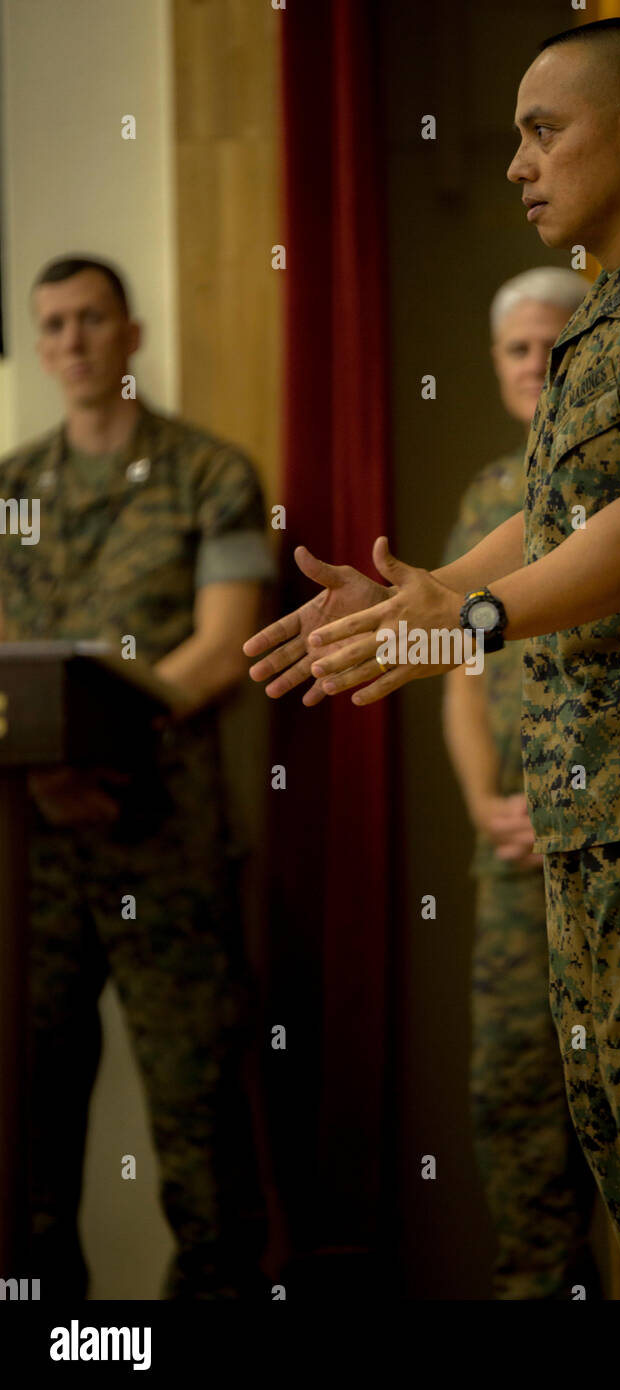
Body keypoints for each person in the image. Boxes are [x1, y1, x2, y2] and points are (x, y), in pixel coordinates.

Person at [244, 18, 620, 1301]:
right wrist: (435, 585)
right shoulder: (614, 307)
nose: (512, 160)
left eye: (539, 130)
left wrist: (474, 622)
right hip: (599, 810)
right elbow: (570, 506)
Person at [0, 255, 275, 1298]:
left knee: (200, 1129)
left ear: (132, 335)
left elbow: (220, 647)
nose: (72, 341)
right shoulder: (8, 492)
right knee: (25, 1139)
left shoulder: (213, 474)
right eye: (53, 325)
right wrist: (41, 775)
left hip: (164, 838)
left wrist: (97, 752)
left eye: (91, 320)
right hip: (32, 850)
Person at [442, 267, 602, 1300]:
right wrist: (481, 803)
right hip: (509, 860)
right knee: (510, 1102)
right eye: (513, 350)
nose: (532, 366)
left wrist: (567, 809)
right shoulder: (485, 501)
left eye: (551, 346)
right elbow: (458, 673)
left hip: (604, 847)